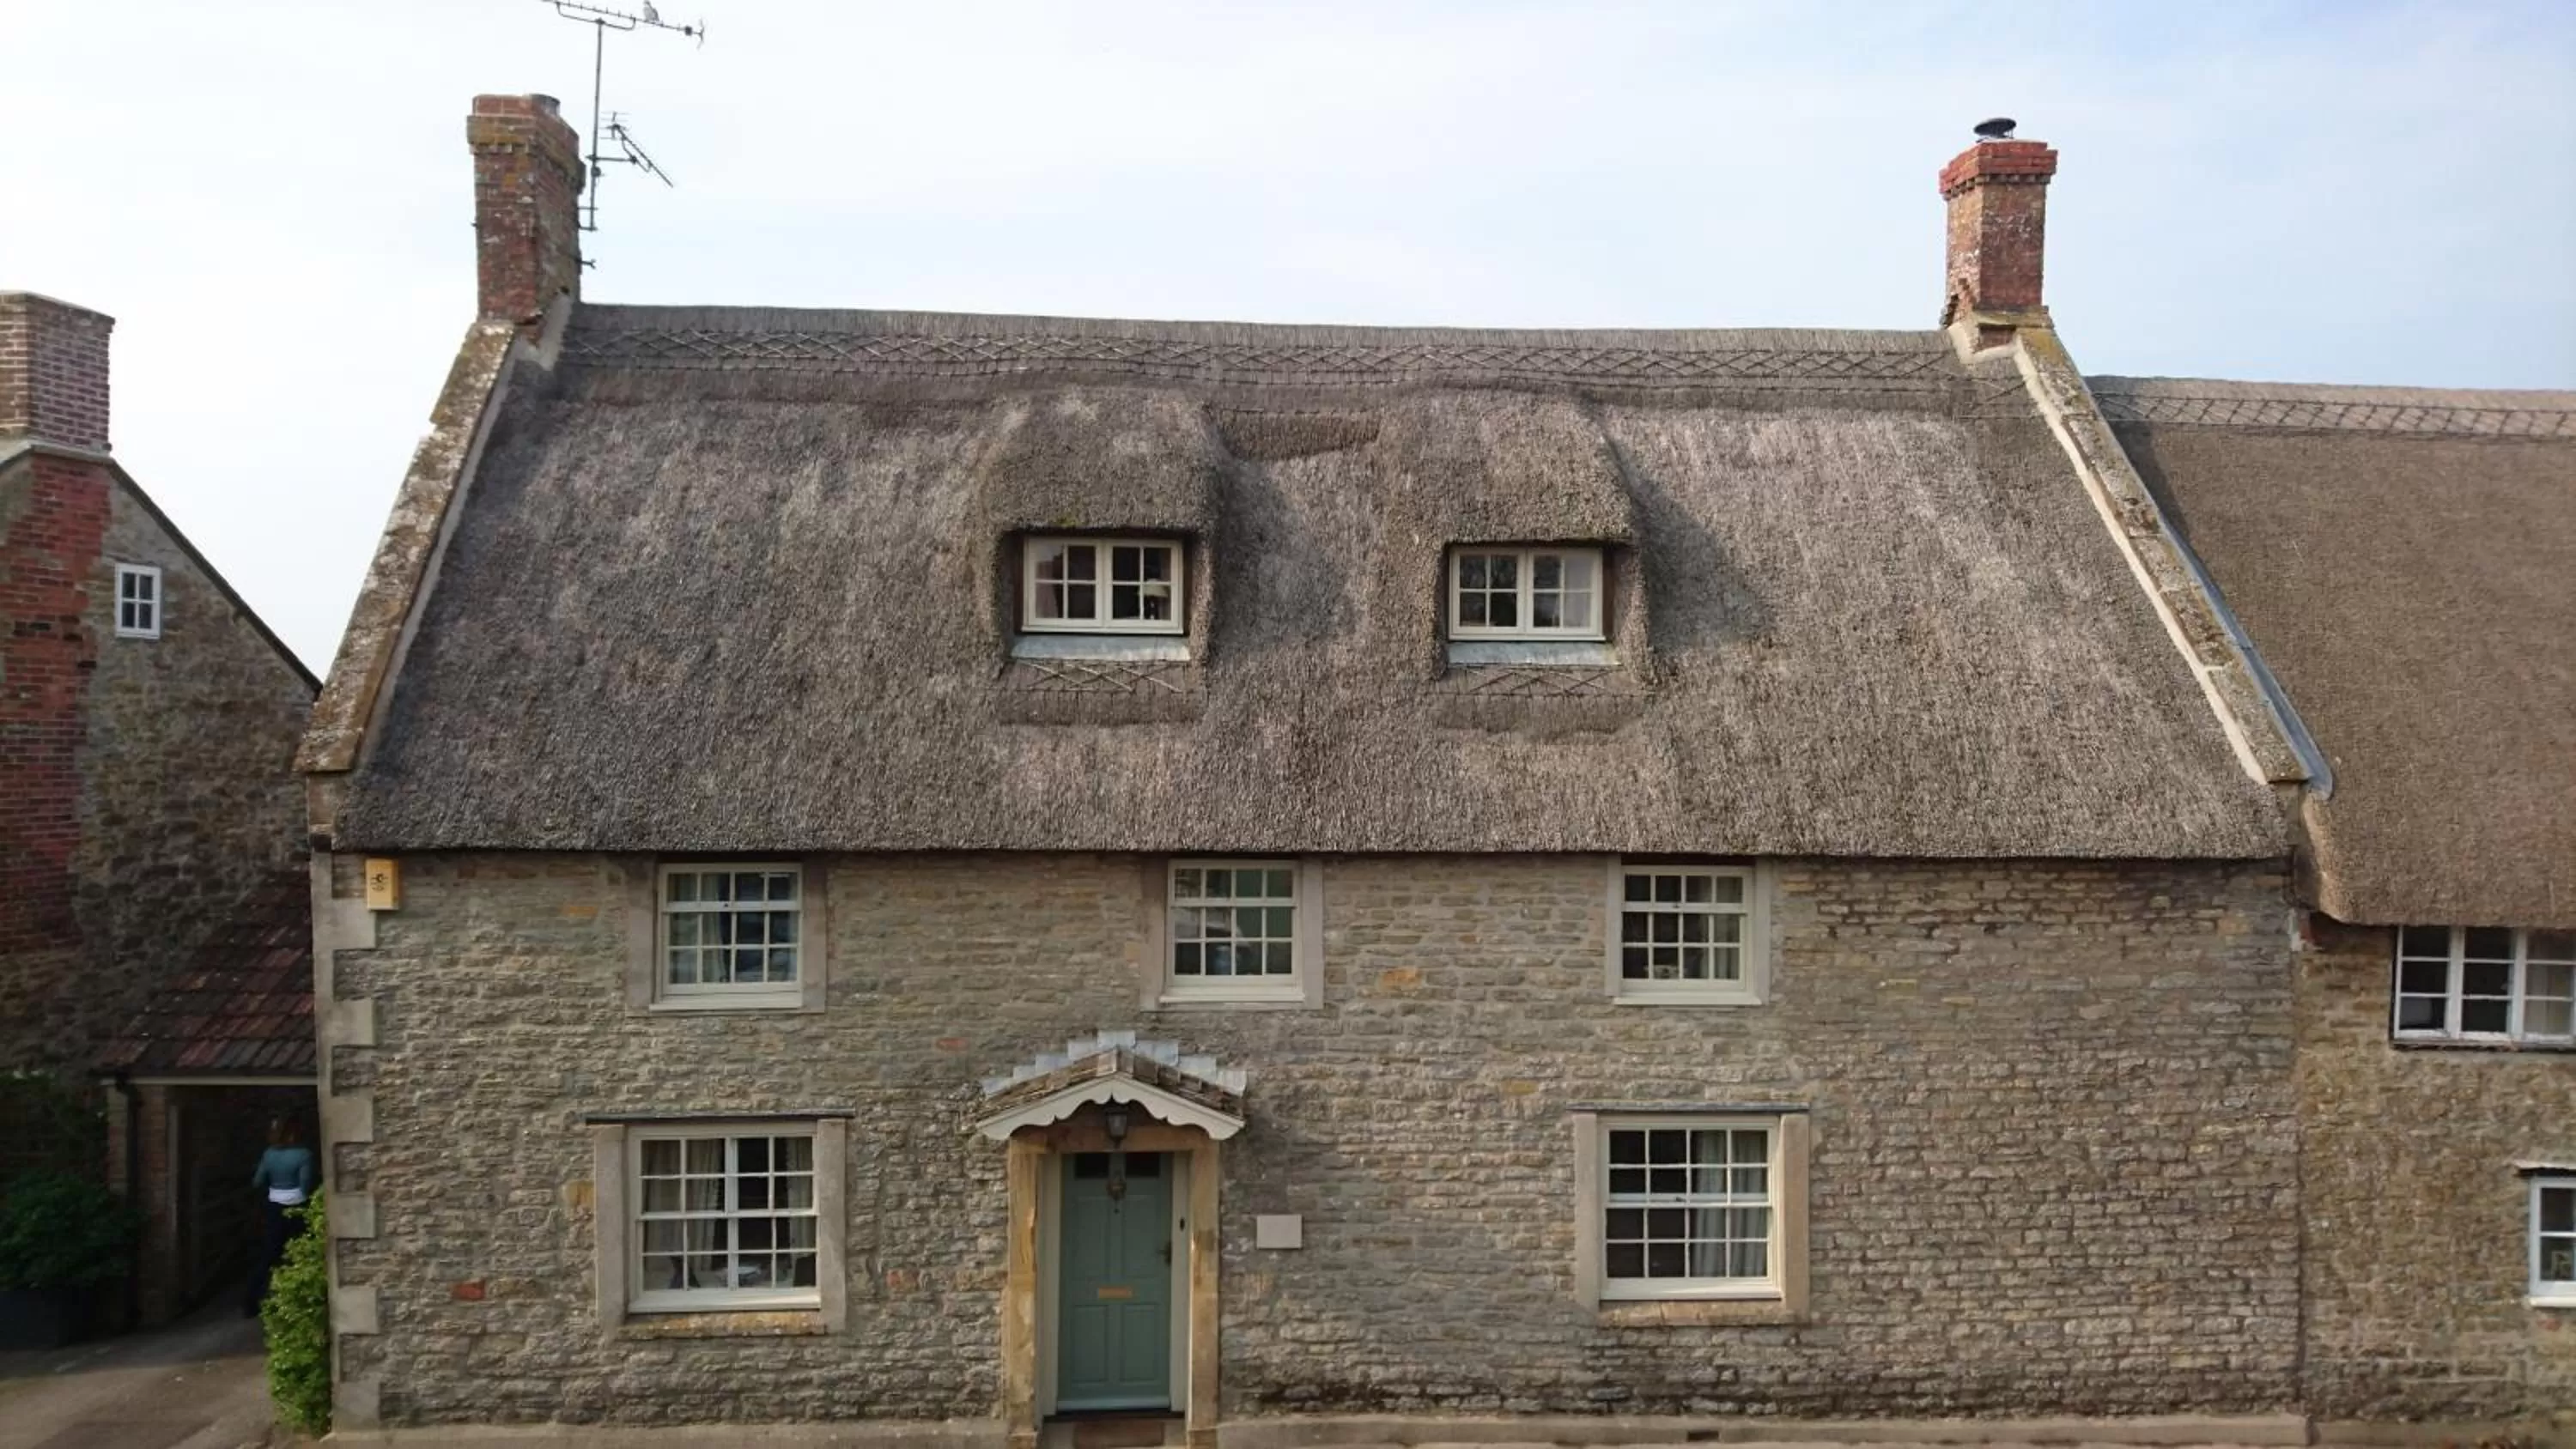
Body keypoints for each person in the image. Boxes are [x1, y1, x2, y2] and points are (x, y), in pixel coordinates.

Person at [246, 1117, 317, 1317]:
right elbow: (305, 1184)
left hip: (274, 1206)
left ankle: (252, 1301)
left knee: (269, 1254)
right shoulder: (304, 1155)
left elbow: (257, 1181)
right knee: (300, 1253)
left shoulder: (269, 1154)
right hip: (297, 1206)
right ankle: (302, 1304)